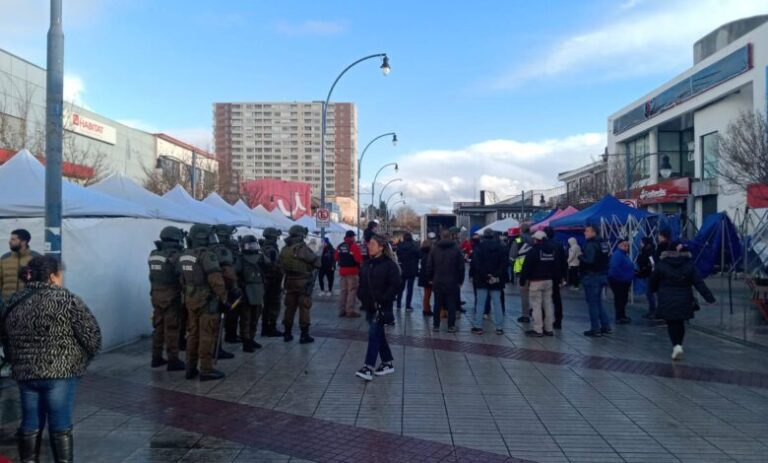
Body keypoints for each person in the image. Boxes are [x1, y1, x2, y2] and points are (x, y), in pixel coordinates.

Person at [2, 256, 101, 463]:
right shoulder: (66, 299)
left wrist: (16, 359)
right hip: (61, 373)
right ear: (52, 276)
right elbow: (92, 337)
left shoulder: (14, 300)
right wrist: (80, 360)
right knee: (60, 422)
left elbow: (5, 336)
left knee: (30, 420)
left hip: (26, 372)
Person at [180, 224, 233, 381]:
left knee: (193, 334)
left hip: (191, 298)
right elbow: (216, 280)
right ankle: (206, 369)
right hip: (206, 300)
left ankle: (190, 368)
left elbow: (182, 279)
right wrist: (224, 298)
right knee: (207, 335)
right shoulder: (207, 255)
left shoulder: (185, 254)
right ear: (202, 237)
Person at [650, 245, 715, 360]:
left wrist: (655, 290)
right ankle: (679, 344)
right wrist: (709, 297)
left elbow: (652, 282)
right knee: (680, 322)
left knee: (671, 323)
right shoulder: (688, 265)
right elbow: (698, 282)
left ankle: (676, 345)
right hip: (684, 298)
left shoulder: (661, 265)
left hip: (667, 298)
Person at [355, 235, 402, 381]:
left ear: (381, 247)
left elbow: (397, 286)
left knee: (373, 333)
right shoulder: (367, 264)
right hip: (369, 305)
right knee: (378, 334)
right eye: (369, 244)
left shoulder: (390, 265)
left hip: (382, 306)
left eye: (373, 244)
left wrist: (384, 298)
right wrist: (361, 295)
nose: (369, 246)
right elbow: (361, 283)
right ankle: (387, 363)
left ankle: (368, 367)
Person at [147, 226, 186, 371]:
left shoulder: (153, 254)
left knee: (158, 328)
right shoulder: (175, 256)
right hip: (172, 296)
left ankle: (156, 357)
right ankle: (173, 360)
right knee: (172, 329)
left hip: (156, 294)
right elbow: (181, 277)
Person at [279, 225, 321, 343]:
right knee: (304, 307)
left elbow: (280, 265)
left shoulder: (285, 249)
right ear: (301, 235)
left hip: (289, 281)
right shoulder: (301, 248)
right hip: (303, 281)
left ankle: (287, 333)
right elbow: (316, 262)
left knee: (290, 308)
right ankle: (304, 335)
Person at [470, 229, 507, 335]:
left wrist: (485, 274)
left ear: (484, 236)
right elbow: (504, 263)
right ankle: (499, 327)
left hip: (481, 279)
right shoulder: (501, 247)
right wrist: (495, 274)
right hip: (496, 280)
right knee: (497, 303)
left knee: (480, 303)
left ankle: (478, 326)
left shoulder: (479, 247)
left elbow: (476, 263)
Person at [521, 231, 557, 337]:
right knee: (548, 304)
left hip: (536, 281)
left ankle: (538, 329)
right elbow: (556, 265)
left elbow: (526, 267)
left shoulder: (533, 251)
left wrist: (523, 280)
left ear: (535, 239)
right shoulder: (551, 251)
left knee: (536, 305)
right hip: (549, 281)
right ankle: (549, 328)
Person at [427, 230, 465, 333]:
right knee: (451, 304)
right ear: (450, 236)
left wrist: (430, 278)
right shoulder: (456, 249)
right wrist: (460, 280)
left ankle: (436, 325)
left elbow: (429, 265)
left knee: (437, 303)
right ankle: (451, 326)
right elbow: (461, 267)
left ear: (441, 236)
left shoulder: (434, 249)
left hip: (437, 280)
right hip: (452, 280)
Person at [579, 224, 611, 337]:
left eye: (587, 231)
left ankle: (595, 328)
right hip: (602, 275)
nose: (585, 233)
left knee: (592, 303)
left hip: (592, 276)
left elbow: (590, 261)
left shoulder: (591, 244)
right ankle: (605, 325)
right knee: (598, 302)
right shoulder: (603, 243)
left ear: (594, 232)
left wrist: (580, 257)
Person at [213, 225, 242, 349]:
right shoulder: (222, 250)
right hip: (225, 287)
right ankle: (218, 346)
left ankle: (228, 337)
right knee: (225, 316)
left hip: (216, 287)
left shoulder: (212, 249)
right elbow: (231, 270)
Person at [238, 235, 266, 353]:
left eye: (254, 245)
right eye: (250, 245)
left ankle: (251, 338)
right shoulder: (240, 258)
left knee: (255, 316)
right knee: (246, 318)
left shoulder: (260, 257)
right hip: (246, 289)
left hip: (258, 289)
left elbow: (269, 265)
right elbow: (235, 272)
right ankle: (246, 341)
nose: (252, 247)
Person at [0, 229, 40, 301]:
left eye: (13, 239)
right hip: (7, 305)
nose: (9, 241)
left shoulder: (36, 258)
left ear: (23, 242)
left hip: (29, 303)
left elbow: (41, 282)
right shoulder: (4, 259)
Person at [259, 227, 284, 337]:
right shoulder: (271, 249)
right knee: (273, 305)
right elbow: (273, 266)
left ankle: (266, 327)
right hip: (272, 281)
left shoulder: (264, 247)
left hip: (267, 281)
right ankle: (270, 328)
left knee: (267, 306)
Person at [545, 226, 567, 329]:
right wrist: (563, 276)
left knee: (545, 298)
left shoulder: (543, 245)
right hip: (556, 275)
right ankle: (558, 321)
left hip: (545, 275)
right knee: (557, 298)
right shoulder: (559, 245)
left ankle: (545, 318)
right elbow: (564, 261)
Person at [336, 231, 363, 317]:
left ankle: (342, 310)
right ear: (351, 237)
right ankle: (350, 310)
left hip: (342, 271)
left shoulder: (340, 246)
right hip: (352, 271)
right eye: (354, 237)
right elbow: (359, 259)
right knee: (352, 290)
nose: (354, 238)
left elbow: (335, 257)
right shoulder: (353, 246)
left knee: (343, 290)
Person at [608, 238, 634, 325]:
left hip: (624, 281)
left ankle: (622, 316)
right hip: (618, 281)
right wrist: (623, 278)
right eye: (624, 245)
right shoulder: (618, 255)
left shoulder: (624, 255)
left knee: (623, 299)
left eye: (627, 246)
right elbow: (614, 269)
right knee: (620, 299)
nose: (626, 247)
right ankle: (619, 317)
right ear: (619, 246)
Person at [395, 232, 420, 311]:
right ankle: (408, 306)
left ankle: (398, 304)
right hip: (412, 269)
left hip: (402, 268)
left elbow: (398, 254)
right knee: (410, 288)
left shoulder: (400, 245)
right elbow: (419, 256)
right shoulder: (414, 246)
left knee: (400, 287)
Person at [637, 237, 658, 319]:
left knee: (649, 293)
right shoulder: (645, 251)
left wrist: (646, 269)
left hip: (650, 275)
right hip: (647, 274)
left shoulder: (649, 252)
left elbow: (652, 264)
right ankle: (652, 310)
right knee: (649, 293)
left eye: (641, 242)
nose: (640, 244)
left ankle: (653, 310)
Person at [514, 239, 532, 323]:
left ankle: (526, 315)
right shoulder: (534, 242)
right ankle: (534, 311)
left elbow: (512, 255)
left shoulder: (518, 240)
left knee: (524, 296)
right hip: (536, 276)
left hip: (521, 274)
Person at [417, 239, 434, 317]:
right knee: (429, 294)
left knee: (426, 294)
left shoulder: (421, 253)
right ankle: (427, 309)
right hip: (429, 276)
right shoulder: (430, 254)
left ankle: (426, 309)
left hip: (423, 276)